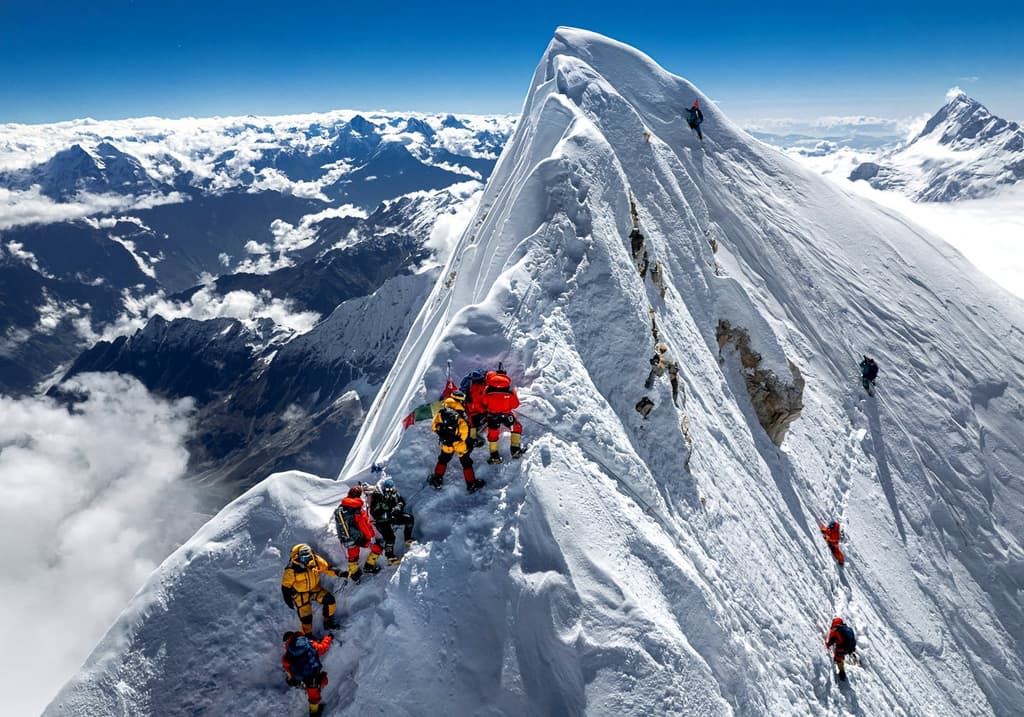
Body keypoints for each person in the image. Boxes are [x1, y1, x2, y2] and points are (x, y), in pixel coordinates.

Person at [431, 390, 486, 492]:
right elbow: (464, 433)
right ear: (460, 401)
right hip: (460, 445)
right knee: (466, 463)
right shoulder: (461, 415)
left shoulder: (442, 411)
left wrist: (444, 435)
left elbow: (434, 426)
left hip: (446, 443)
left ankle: (437, 478)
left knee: (443, 459)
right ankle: (471, 484)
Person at [281, 544, 342, 635]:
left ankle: (328, 622)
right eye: (304, 558)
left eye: (308, 557)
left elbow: (327, 568)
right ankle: (308, 636)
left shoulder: (315, 561)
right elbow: (285, 586)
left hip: (314, 588)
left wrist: (340, 573)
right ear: (298, 557)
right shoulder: (292, 568)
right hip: (300, 593)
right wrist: (287, 598)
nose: (307, 560)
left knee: (329, 600)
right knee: (306, 617)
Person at [334, 485, 384, 582]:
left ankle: (355, 575)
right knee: (377, 548)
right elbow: (365, 526)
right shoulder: (357, 509)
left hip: (347, 539)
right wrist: (371, 537)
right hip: (359, 539)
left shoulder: (340, 509)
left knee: (353, 557)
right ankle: (369, 567)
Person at [282, 631, 332, 715]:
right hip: (313, 674)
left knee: (307, 687)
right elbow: (322, 648)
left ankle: (314, 712)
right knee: (314, 695)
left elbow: (287, 668)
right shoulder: (309, 643)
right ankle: (314, 712)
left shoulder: (287, 655)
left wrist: (292, 679)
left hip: (302, 678)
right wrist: (329, 638)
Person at [482, 365, 524, 464]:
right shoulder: (510, 390)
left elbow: (484, 402)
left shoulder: (488, 389)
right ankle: (515, 450)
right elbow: (516, 404)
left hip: (492, 416)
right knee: (516, 428)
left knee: (493, 435)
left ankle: (494, 456)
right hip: (506, 415)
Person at [369, 477, 415, 565]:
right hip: (382, 521)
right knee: (390, 538)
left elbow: (401, 502)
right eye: (387, 489)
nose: (389, 490)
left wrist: (398, 507)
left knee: (409, 519)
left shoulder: (395, 494)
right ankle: (390, 557)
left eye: (391, 488)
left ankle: (407, 538)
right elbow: (373, 511)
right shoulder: (378, 496)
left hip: (393, 517)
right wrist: (383, 509)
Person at [459, 369, 490, 448]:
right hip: (476, 410)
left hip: (470, 409)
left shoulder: (469, 381)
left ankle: (472, 438)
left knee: (472, 423)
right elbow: (478, 403)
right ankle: (473, 438)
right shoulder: (479, 387)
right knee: (475, 422)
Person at [825, 617, 857, 682]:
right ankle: (841, 669)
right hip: (849, 649)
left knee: (838, 657)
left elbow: (832, 639)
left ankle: (842, 674)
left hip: (842, 648)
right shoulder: (848, 629)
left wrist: (827, 645)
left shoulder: (836, 629)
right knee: (840, 656)